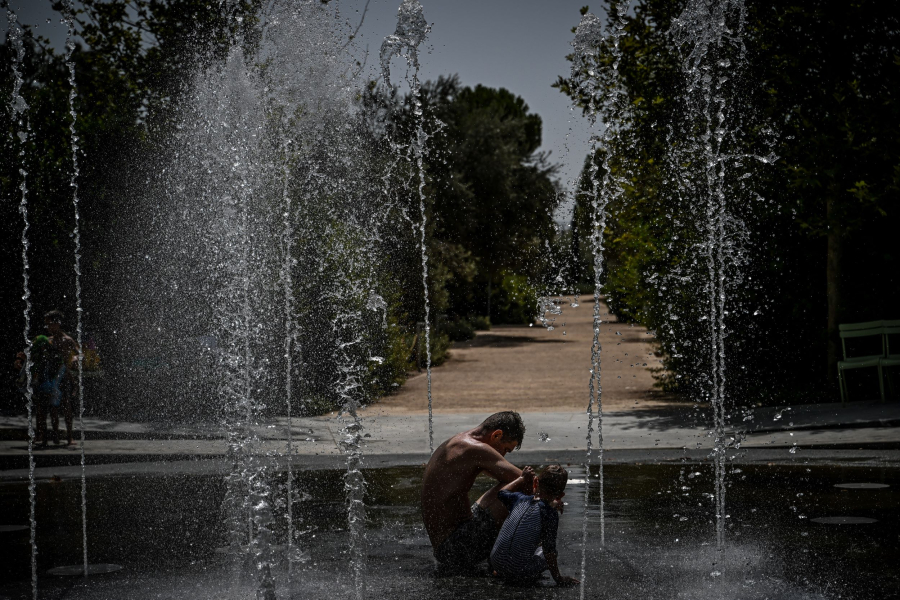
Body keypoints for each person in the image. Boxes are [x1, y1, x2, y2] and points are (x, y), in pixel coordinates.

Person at [421, 411, 532, 571]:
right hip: (454, 550)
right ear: (496, 435)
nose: (503, 455)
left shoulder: (460, 441)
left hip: (447, 546)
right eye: (506, 449)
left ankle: (507, 549)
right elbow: (526, 480)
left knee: (510, 486)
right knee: (521, 485)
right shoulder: (476, 449)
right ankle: (517, 556)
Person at [490, 464, 579, 586]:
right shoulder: (550, 514)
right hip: (519, 572)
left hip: (496, 562)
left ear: (535, 482)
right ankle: (522, 575)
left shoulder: (519, 499)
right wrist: (559, 579)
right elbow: (549, 551)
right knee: (547, 551)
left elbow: (501, 493)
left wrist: (522, 478)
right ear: (561, 495)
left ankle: (500, 571)